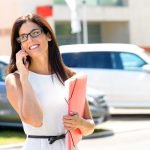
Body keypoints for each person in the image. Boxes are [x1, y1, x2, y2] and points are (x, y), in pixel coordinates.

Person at [5, 13, 95, 150]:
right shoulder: (15, 80)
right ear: (21, 45)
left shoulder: (71, 76)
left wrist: (80, 123)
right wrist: (25, 77)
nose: (30, 40)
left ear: (48, 36)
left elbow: (90, 127)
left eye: (35, 33)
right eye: (24, 37)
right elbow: (35, 121)